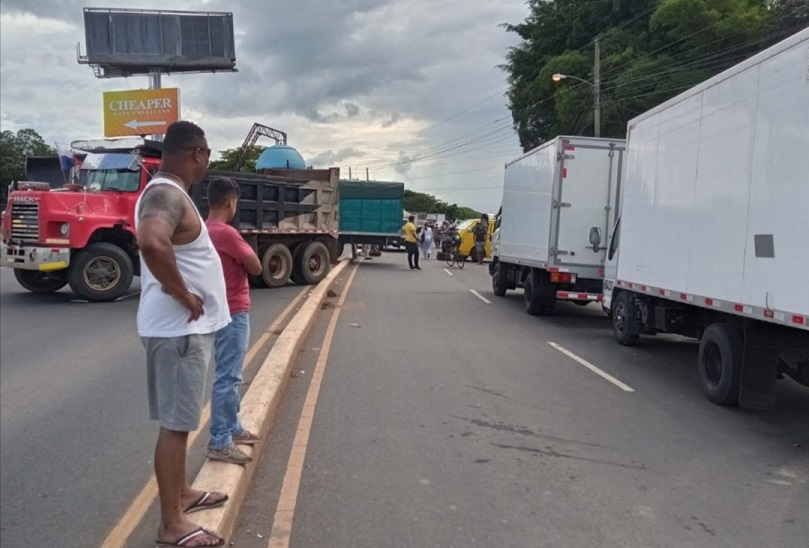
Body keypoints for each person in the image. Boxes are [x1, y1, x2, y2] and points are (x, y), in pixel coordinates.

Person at [136, 121, 229, 548]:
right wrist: (183, 294)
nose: (207, 162)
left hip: (183, 333)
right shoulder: (166, 194)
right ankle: (171, 523)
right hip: (179, 333)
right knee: (175, 426)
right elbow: (152, 242)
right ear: (197, 153)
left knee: (182, 421)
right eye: (207, 154)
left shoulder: (170, 192)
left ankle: (183, 494)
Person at [205, 177, 263, 465]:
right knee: (229, 376)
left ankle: (233, 427)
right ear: (230, 202)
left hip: (216, 309)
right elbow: (256, 266)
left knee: (228, 372)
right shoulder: (226, 233)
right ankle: (220, 440)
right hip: (234, 311)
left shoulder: (202, 230)